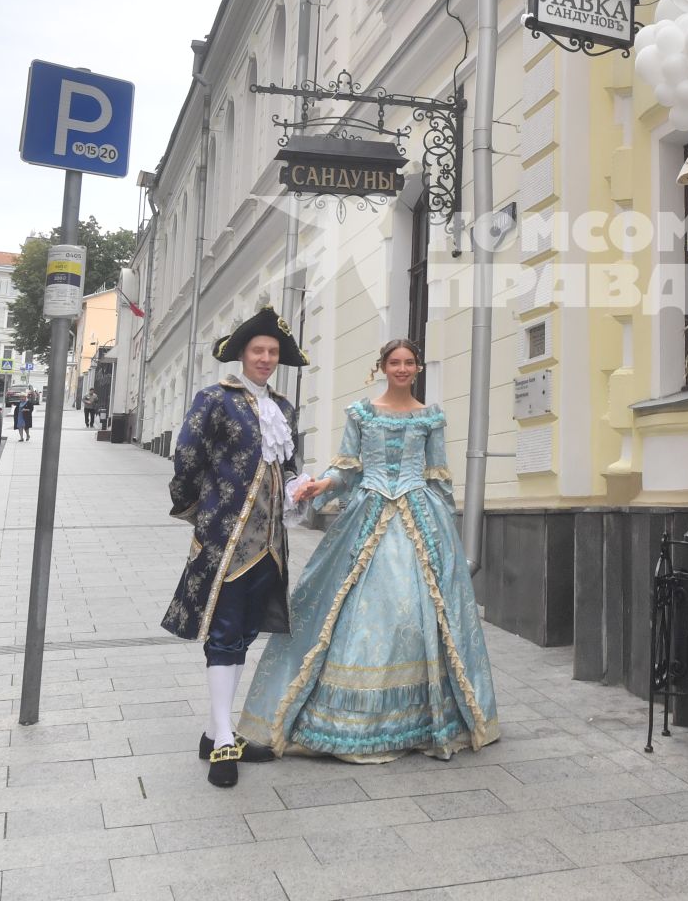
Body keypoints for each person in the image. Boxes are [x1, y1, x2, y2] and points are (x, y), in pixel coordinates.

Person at [237, 339, 499, 765]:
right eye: (394, 362)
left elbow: (438, 475)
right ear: (382, 366)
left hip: (419, 516)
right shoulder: (361, 413)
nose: (401, 368)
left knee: (410, 614)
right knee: (355, 609)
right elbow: (347, 469)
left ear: (417, 368)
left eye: (408, 362)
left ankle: (418, 717)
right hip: (369, 513)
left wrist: (445, 532)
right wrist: (322, 485)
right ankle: (347, 721)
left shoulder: (430, 416)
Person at [162, 305, 306, 788]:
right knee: (223, 631)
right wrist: (198, 514)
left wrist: (298, 488)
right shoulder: (214, 400)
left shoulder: (283, 408)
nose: (265, 358)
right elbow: (187, 456)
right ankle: (225, 737)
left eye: (272, 352)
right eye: (257, 351)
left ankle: (215, 729)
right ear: (242, 355)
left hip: (269, 543)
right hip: (227, 538)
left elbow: (285, 467)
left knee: (243, 630)